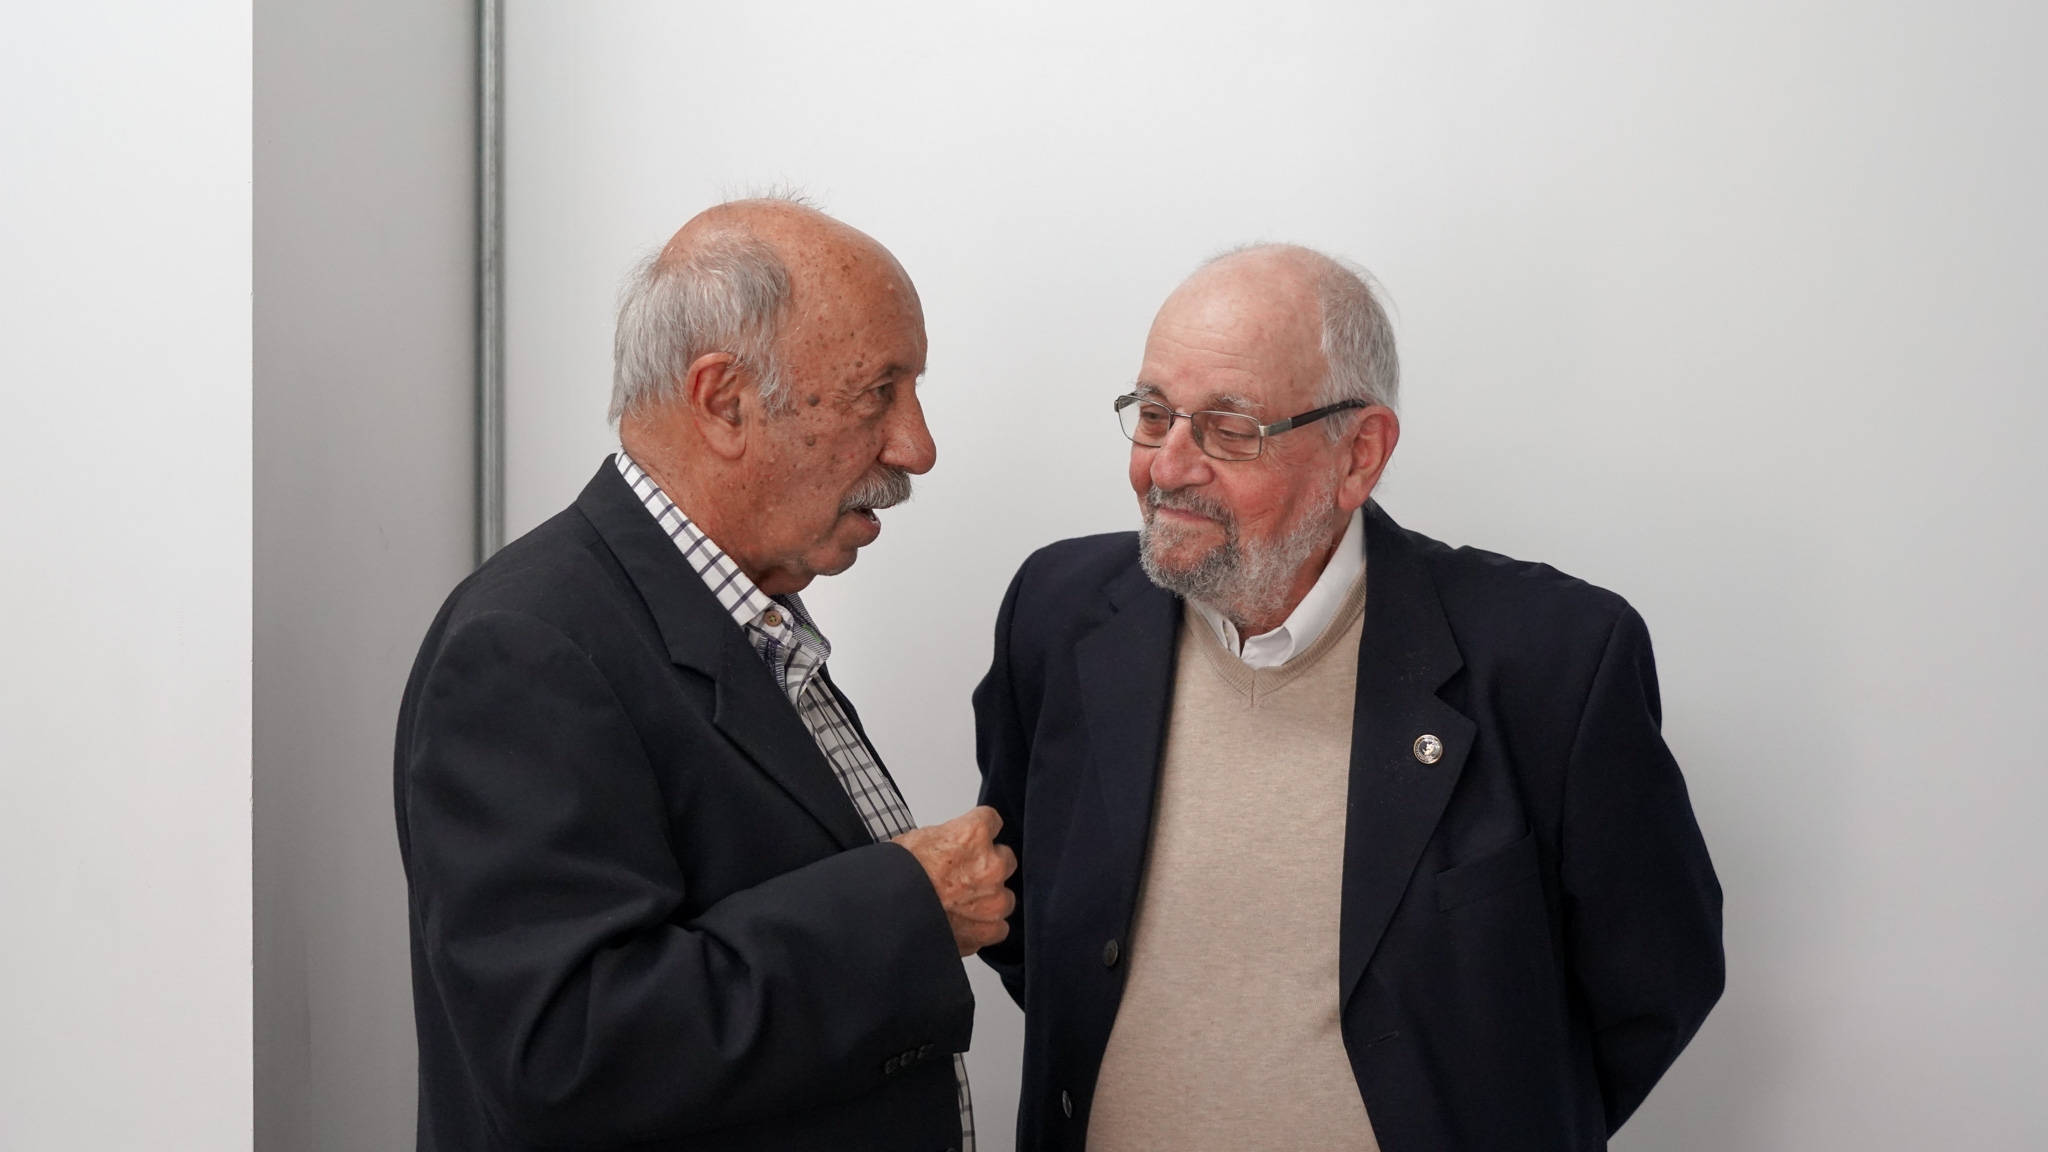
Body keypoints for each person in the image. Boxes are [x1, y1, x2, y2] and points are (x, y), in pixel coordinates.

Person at [973, 244, 1723, 1151]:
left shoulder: (1553, 660)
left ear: (1358, 454)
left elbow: (1654, 982)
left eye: (1229, 429)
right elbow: (1025, 923)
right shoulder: (1056, 615)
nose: (1166, 468)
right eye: (1154, 414)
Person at [394, 197, 1014, 1152]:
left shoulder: (747, 617)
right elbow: (563, 1053)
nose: (915, 447)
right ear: (725, 402)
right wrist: (906, 910)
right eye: (878, 394)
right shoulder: (528, 648)